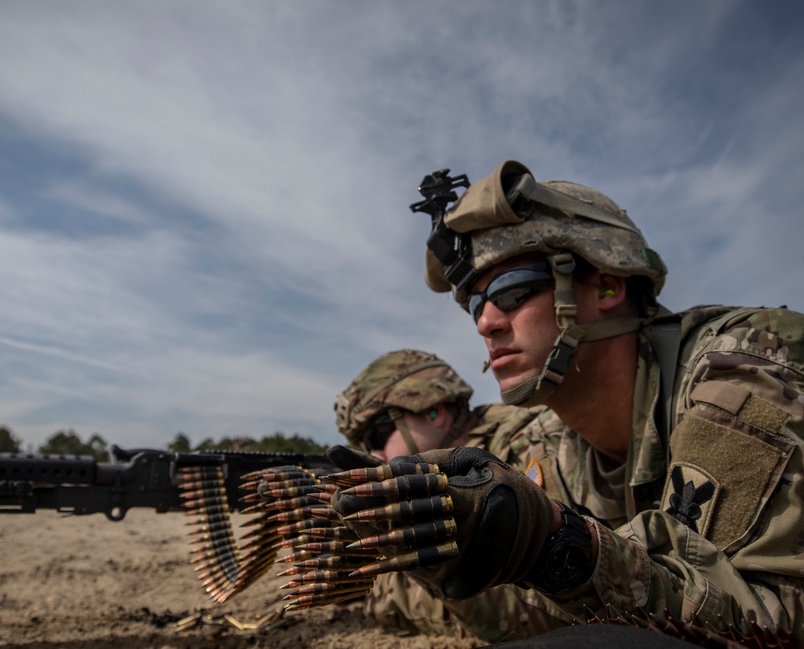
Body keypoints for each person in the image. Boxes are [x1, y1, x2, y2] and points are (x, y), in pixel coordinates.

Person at [332, 160, 804, 643]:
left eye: (511, 291)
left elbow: (771, 624)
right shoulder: (555, 442)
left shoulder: (739, 376)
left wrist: (558, 544)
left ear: (606, 285)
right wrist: (456, 560)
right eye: (476, 304)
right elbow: (534, 614)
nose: (485, 323)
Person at [333, 348, 569, 639]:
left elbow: (555, 610)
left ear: (434, 412)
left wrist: (389, 588)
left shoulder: (528, 444)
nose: (374, 453)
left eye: (377, 435)